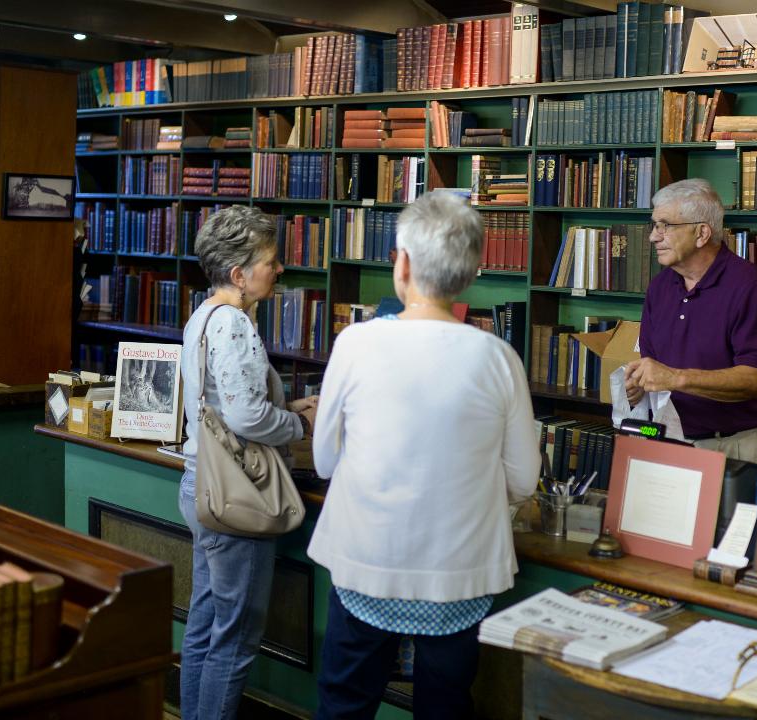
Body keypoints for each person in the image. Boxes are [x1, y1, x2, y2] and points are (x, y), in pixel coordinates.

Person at [308, 191, 540, 720]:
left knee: (344, 704)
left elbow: (324, 461)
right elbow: (524, 479)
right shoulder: (499, 357)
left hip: (365, 560)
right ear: (474, 271)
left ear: (404, 264)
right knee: (444, 708)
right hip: (457, 571)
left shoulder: (356, 344)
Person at [178, 206, 319, 720]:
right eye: (270, 261)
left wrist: (283, 408)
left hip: (201, 484)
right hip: (238, 497)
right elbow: (244, 417)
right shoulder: (234, 322)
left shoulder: (203, 314)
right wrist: (299, 425)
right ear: (239, 274)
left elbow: (222, 405)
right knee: (234, 642)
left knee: (204, 626)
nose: (278, 269)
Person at [625, 178, 757, 468]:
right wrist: (640, 386)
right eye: (654, 225)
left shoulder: (747, 286)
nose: (653, 237)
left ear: (701, 233)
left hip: (735, 446)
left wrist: (676, 378)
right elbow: (653, 364)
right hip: (671, 441)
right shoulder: (659, 287)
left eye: (664, 226)